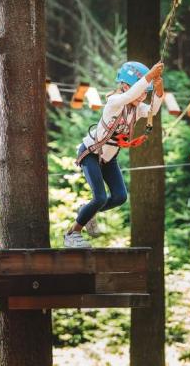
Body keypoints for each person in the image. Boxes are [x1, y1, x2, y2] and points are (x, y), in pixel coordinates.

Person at [64, 61, 164, 248]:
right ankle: (72, 233)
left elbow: (153, 110)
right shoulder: (115, 102)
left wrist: (158, 89)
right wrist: (149, 76)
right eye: (141, 91)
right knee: (100, 197)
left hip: (109, 159)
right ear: (126, 86)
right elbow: (131, 95)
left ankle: (86, 211)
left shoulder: (137, 109)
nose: (143, 95)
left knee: (119, 197)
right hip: (91, 153)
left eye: (145, 93)